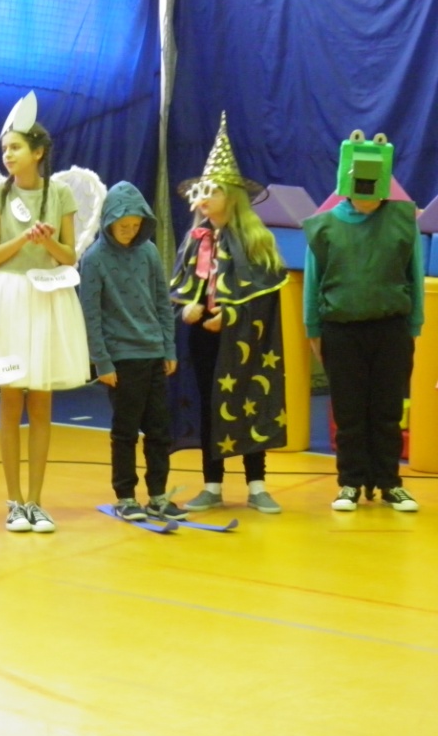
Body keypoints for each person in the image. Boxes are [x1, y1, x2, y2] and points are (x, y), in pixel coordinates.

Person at [0, 93, 90, 533]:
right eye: (4, 149)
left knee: (41, 402)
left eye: (15, 147)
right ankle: (13, 501)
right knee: (10, 398)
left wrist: (47, 241)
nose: (8, 155)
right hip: (9, 299)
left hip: (47, 299)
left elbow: (69, 256)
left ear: (37, 152)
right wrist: (23, 239)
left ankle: (36, 501)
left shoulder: (61, 194)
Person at [170, 112, 287, 514]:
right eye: (201, 192)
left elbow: (263, 296)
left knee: (251, 398)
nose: (204, 198)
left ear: (231, 196)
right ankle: (212, 485)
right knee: (209, 405)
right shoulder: (195, 240)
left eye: (213, 191)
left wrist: (233, 317)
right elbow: (187, 285)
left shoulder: (256, 240)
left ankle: (257, 486)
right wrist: (188, 308)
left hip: (246, 337)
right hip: (205, 337)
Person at [302, 130, 423, 512]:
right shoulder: (324, 226)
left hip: (390, 328)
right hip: (341, 329)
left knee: (387, 409)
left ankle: (389, 482)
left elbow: (414, 274)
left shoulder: (402, 220)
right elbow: (313, 280)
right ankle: (351, 482)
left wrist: (414, 325)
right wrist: (313, 329)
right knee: (349, 410)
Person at [79, 181, 184, 521]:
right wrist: (102, 362)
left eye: (136, 225)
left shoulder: (149, 252)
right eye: (123, 225)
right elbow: (91, 315)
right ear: (109, 221)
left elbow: (162, 303)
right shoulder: (94, 259)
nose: (129, 231)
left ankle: (157, 495)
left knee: (160, 430)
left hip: (154, 355)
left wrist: (168, 348)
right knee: (125, 432)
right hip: (122, 359)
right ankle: (125, 496)